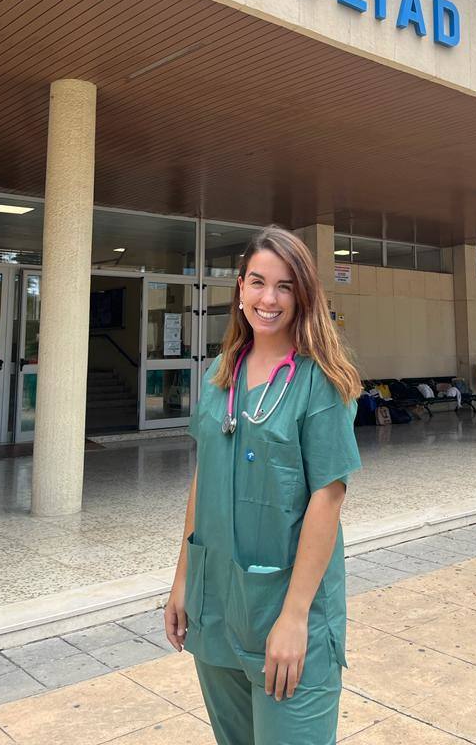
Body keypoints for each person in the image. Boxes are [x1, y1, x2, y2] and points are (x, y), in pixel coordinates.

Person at [164, 226, 362, 744]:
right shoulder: (221, 373)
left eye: (284, 286)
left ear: (303, 296)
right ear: (240, 288)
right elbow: (204, 478)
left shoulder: (321, 380)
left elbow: (328, 497)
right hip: (215, 601)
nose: (268, 299)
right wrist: (183, 580)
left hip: (288, 609)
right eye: (257, 282)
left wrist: (294, 617)